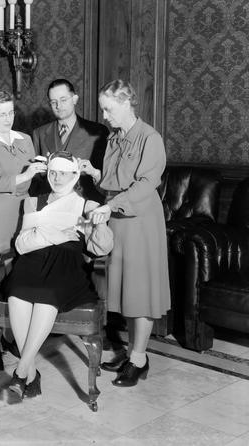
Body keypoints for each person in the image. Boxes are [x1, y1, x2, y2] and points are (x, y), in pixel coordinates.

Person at [0, 151, 112, 399]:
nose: (56, 178)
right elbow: (22, 245)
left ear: (74, 175)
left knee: (47, 296)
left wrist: (99, 223)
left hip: (66, 265)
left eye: (62, 173)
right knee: (16, 293)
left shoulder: (87, 206)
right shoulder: (33, 202)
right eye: (53, 172)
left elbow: (103, 248)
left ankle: (22, 370)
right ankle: (30, 373)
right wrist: (55, 235)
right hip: (31, 261)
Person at [83, 79, 170, 387]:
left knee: (141, 292)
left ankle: (139, 359)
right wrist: (92, 172)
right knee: (126, 291)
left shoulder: (150, 138)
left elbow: (146, 184)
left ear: (126, 103)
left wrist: (112, 205)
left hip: (140, 221)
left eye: (108, 108)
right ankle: (133, 351)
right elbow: (110, 180)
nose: (104, 115)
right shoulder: (114, 138)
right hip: (117, 218)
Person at [0, 90, 46, 298]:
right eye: (2, 114)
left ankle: (20, 314)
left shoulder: (25, 139)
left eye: (11, 112)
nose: (8, 118)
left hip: (25, 207)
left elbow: (34, 174)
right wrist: (24, 176)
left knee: (22, 258)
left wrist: (46, 168)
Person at [32, 79, 109, 202]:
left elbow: (106, 177)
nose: (58, 106)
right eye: (53, 102)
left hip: (85, 208)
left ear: (75, 99)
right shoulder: (39, 133)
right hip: (50, 208)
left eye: (63, 100)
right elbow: (35, 180)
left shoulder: (98, 132)